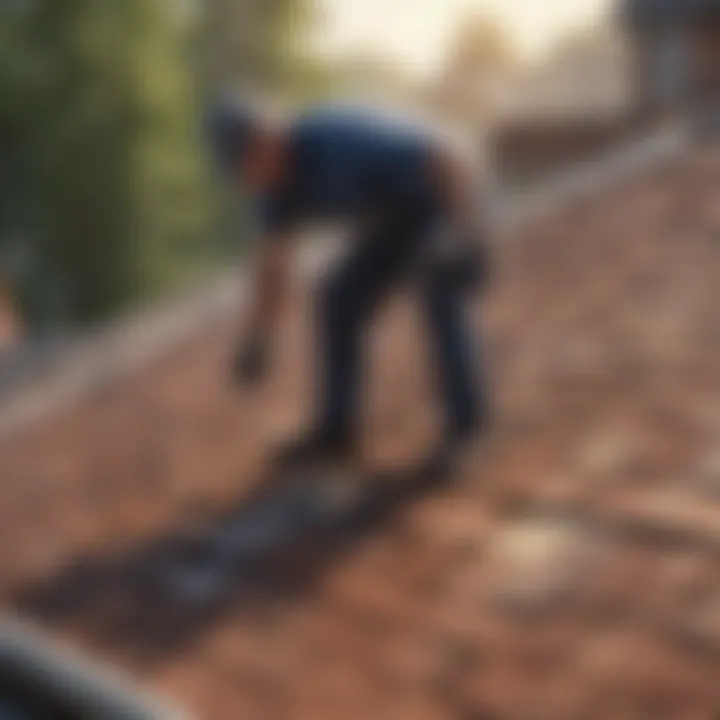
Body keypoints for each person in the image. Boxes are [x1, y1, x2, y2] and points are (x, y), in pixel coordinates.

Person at [207, 95, 491, 478]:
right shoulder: (274, 191)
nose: (248, 179)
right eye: (240, 171)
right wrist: (260, 339)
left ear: (266, 137)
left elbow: (443, 156)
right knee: (337, 299)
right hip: (391, 222)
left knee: (439, 286)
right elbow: (273, 270)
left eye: (246, 162)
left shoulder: (337, 139)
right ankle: (336, 431)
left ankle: (467, 430)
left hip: (446, 196)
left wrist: (461, 233)